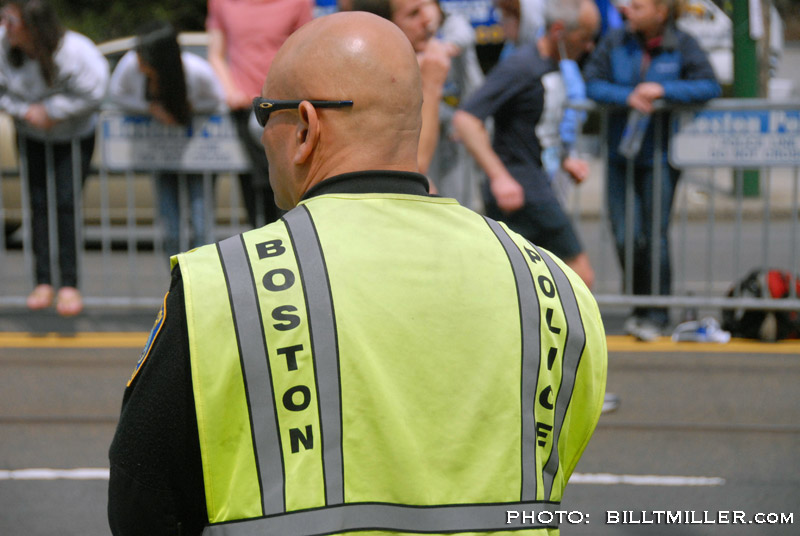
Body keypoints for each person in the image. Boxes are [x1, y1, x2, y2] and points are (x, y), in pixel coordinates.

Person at [108, 11, 607, 535]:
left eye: (264, 114)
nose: (262, 135)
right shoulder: (556, 287)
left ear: (304, 127)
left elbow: (141, 501)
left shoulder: (222, 285)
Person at [583, 0, 720, 340]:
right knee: (624, 233)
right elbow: (592, 83)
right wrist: (627, 96)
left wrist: (664, 90)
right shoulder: (615, 41)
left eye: (638, 5)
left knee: (653, 237)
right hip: (620, 155)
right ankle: (639, 305)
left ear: (661, 12)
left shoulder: (683, 44)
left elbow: (708, 85)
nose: (627, 10)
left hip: (659, 157)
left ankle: (656, 312)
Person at [453, 0, 599, 289]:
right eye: (584, 38)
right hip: (522, 189)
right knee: (579, 276)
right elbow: (466, 119)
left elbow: (537, 126)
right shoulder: (521, 66)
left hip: (534, 183)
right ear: (558, 31)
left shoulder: (552, 65)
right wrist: (500, 177)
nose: (590, 47)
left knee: (518, 282)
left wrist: (564, 157)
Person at [0, 0, 108, 316]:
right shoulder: (5, 46)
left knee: (65, 203)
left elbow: (95, 91)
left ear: (34, 26)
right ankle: (44, 282)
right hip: (32, 134)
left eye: (11, 19)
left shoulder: (75, 50)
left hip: (74, 137)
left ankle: (69, 285)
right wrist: (26, 112)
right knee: (38, 203)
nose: (5, 25)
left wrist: (53, 112)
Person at [108, 21, 226, 260]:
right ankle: (177, 284)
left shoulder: (196, 71)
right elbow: (117, 95)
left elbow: (217, 99)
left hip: (197, 154)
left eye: (144, 55)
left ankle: (203, 280)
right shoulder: (130, 66)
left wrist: (189, 109)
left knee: (201, 221)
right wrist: (150, 108)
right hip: (162, 153)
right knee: (170, 225)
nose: (138, 60)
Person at [205, 0, 312, 229]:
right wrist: (231, 92)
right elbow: (215, 54)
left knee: (289, 191)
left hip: (284, 107)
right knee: (255, 194)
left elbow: (305, 49)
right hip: (244, 110)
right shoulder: (222, 3)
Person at [349, 0, 454, 180]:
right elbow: (415, 164)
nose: (428, 20)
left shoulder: (435, 54)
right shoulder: (376, 79)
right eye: (413, 14)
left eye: (429, 6)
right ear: (386, 24)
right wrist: (430, 86)